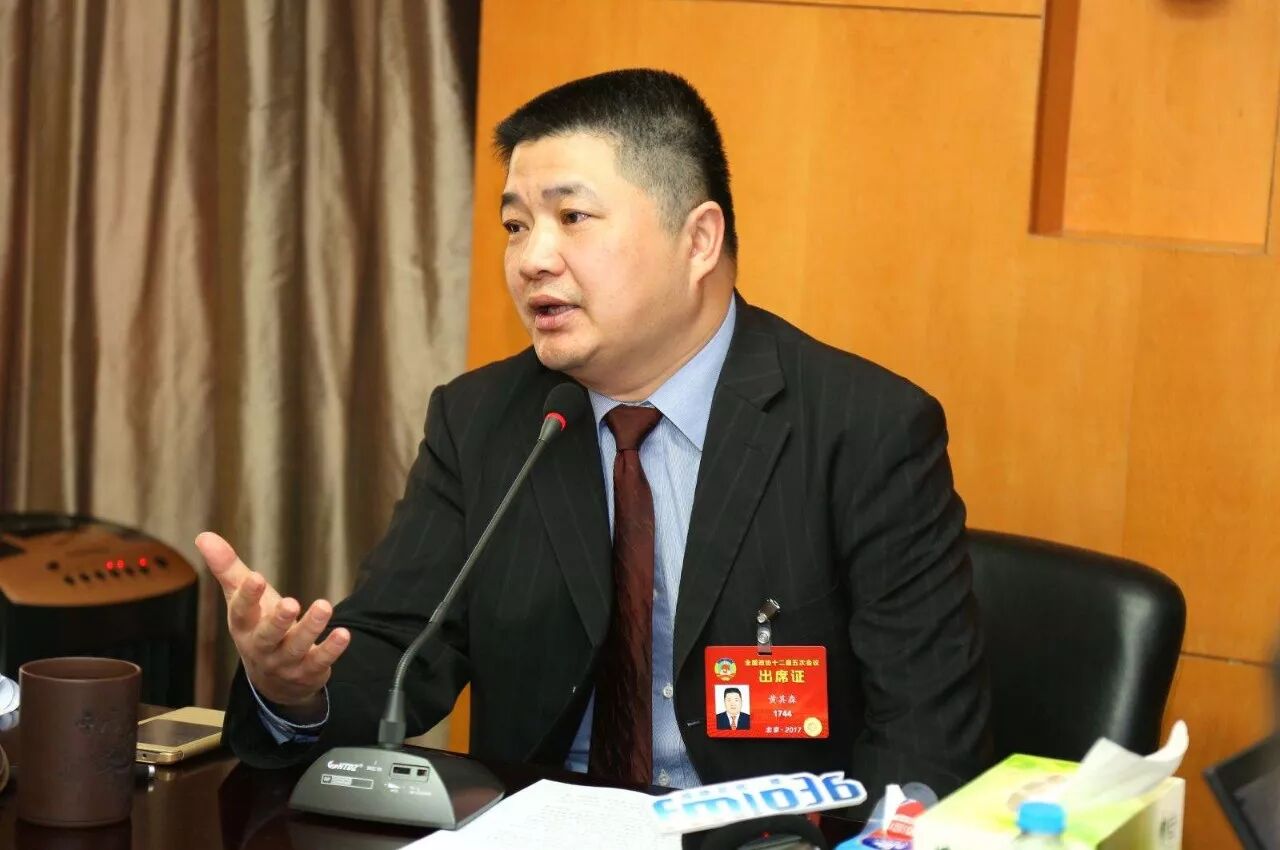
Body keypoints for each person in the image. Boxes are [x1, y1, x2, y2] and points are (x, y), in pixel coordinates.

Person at [201, 68, 991, 802]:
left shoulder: (865, 428)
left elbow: (923, 735)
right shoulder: (484, 420)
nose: (531, 259)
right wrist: (294, 688)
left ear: (698, 241)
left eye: (571, 217)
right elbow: (399, 651)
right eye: (516, 225)